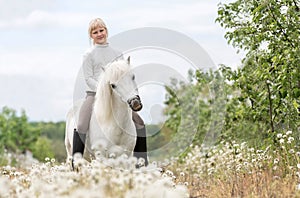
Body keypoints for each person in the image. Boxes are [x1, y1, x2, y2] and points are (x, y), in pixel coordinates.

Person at [72, 18, 148, 167]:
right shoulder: (89, 54)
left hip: (118, 95)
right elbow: (88, 78)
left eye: (101, 30)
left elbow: (124, 77)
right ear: (91, 36)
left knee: (139, 122)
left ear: (106, 31)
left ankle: (141, 161)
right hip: (94, 95)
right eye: (95, 32)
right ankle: (76, 162)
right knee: (81, 124)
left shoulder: (117, 53)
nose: (99, 34)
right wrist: (103, 89)